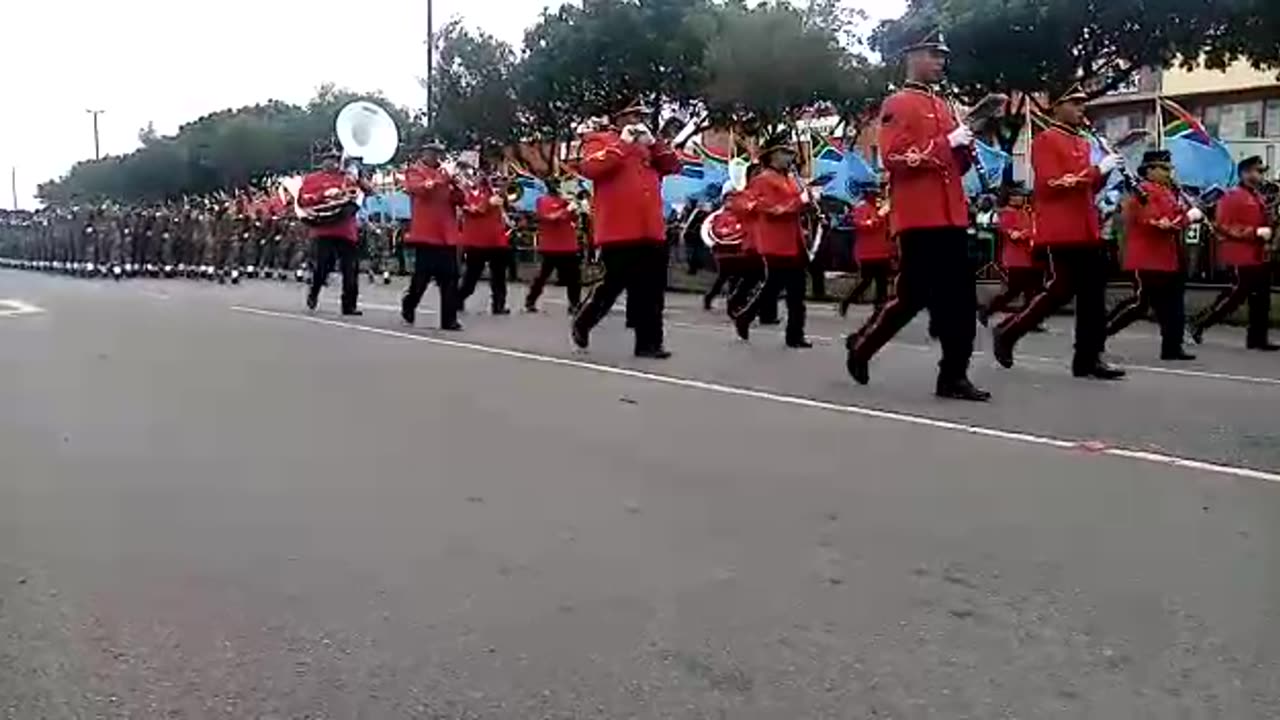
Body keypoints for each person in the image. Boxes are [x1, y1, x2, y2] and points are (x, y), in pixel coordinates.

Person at [843, 30, 990, 401]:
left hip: (951, 215)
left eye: (943, 56)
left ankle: (953, 376)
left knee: (961, 300)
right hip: (919, 218)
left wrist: (964, 148)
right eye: (933, 54)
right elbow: (894, 158)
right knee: (912, 297)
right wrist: (946, 144)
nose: (941, 62)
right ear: (912, 56)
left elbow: (950, 168)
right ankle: (863, 346)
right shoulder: (898, 103)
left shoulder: (944, 106)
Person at [991, 83, 1126, 380]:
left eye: (1083, 104)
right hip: (1062, 228)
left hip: (1085, 225)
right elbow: (1053, 184)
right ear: (1057, 107)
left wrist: (1106, 173)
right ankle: (1012, 333)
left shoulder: (1082, 142)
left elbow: (1087, 189)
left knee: (1081, 293)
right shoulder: (1046, 140)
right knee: (1070, 292)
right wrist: (1096, 170)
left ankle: (1085, 357)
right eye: (1075, 104)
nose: (1082, 109)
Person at [572, 99, 682, 358]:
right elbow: (590, 168)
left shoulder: (648, 147)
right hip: (618, 229)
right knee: (612, 285)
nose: (637, 120)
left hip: (651, 228)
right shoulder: (599, 141)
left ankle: (649, 344)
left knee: (652, 290)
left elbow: (673, 166)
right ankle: (583, 321)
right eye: (632, 115)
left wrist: (654, 143)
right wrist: (622, 144)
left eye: (641, 116)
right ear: (619, 118)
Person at [1104, 150, 1197, 360]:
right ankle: (1098, 334)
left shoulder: (1168, 192)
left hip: (1168, 259)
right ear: (1149, 170)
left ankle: (1172, 347)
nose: (1168, 172)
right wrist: (1188, 218)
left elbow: (1173, 217)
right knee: (1139, 304)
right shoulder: (1141, 192)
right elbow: (1159, 223)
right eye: (1163, 168)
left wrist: (1191, 210)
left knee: (1173, 306)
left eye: (1169, 168)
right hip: (1147, 259)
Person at [728, 135, 812, 348]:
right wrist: (798, 202)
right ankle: (746, 317)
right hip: (776, 241)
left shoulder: (791, 179)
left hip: (794, 239)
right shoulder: (763, 179)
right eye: (785, 153)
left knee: (794, 290)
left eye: (790, 153)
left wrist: (808, 202)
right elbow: (772, 209)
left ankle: (793, 334)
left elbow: (794, 205)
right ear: (773, 156)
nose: (790, 157)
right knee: (775, 286)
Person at [1189, 156, 1278, 351]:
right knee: (1234, 297)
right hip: (1240, 255)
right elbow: (1223, 225)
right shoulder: (1232, 196)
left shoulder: (1257, 196)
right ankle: (1199, 322)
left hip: (1258, 255)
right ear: (1245, 173)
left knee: (1261, 300)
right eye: (1258, 171)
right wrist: (1254, 232)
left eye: (1262, 171)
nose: (1261, 175)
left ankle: (1257, 338)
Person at [298, 142, 369, 315]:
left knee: (350, 269)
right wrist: (324, 194)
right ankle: (314, 292)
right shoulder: (312, 179)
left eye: (336, 159)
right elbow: (303, 200)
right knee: (323, 266)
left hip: (346, 229)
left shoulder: (348, 177)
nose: (334, 162)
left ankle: (349, 305)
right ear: (323, 162)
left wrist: (358, 179)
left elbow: (367, 192)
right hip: (324, 229)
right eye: (329, 159)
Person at [400, 138, 464, 330]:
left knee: (450, 278)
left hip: (447, 234)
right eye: (431, 152)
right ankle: (409, 304)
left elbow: (460, 200)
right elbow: (420, 189)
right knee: (422, 278)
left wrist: (457, 186)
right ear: (423, 153)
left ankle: (449, 319)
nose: (435, 156)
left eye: (438, 152)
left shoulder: (445, 174)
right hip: (426, 233)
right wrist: (442, 179)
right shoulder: (414, 171)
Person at [978, 183, 1043, 326]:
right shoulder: (1007, 214)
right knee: (1014, 291)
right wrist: (1026, 234)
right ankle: (988, 310)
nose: (1022, 198)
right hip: (1015, 259)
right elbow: (1012, 234)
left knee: (1030, 291)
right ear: (1012, 198)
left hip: (1027, 257)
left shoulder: (1025, 212)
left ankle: (1029, 320)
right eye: (1019, 196)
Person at [457, 170, 513, 315]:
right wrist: (488, 202)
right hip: (476, 241)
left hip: (497, 240)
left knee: (499, 276)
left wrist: (504, 191)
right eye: (478, 175)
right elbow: (476, 210)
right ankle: (458, 299)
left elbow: (505, 207)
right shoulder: (466, 193)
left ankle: (499, 305)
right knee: (472, 277)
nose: (481, 178)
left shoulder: (492, 192)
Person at [838, 182, 894, 320]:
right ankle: (847, 301)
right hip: (868, 253)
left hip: (883, 251)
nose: (877, 196)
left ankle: (879, 313)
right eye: (874, 193)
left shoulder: (883, 208)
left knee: (882, 284)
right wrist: (879, 217)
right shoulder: (861, 209)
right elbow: (863, 226)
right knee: (866, 281)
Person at [526, 178, 583, 313]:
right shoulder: (543, 201)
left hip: (568, 245)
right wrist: (566, 210)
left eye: (559, 184)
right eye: (555, 185)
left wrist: (576, 208)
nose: (557, 188)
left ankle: (574, 304)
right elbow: (551, 217)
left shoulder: (566, 200)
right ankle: (530, 301)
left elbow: (574, 219)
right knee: (542, 276)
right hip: (551, 246)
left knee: (574, 278)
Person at [703, 178, 755, 312]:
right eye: (729, 200)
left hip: (739, 251)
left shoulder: (741, 214)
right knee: (725, 277)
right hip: (724, 252)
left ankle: (731, 302)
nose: (732, 202)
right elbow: (717, 231)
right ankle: (716, 299)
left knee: (735, 277)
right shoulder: (720, 216)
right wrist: (729, 234)